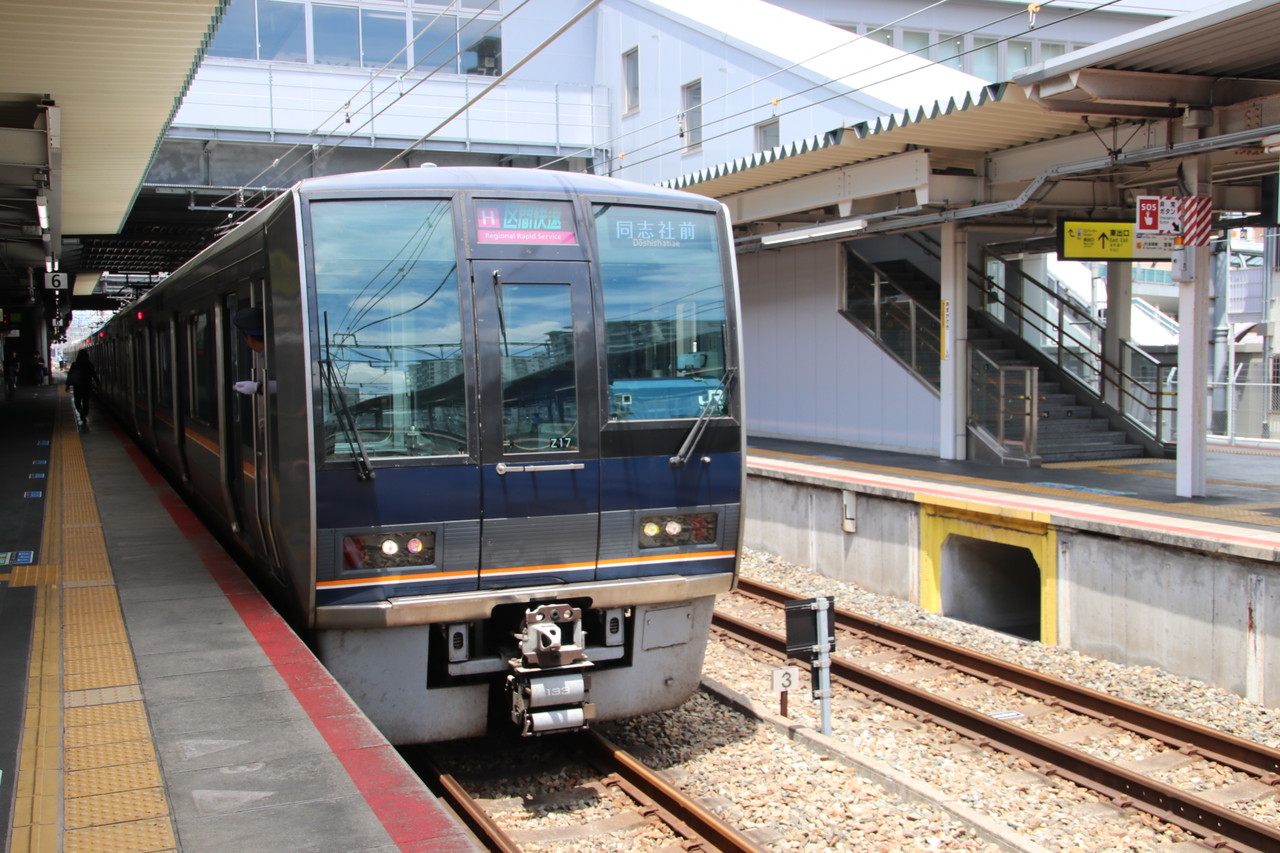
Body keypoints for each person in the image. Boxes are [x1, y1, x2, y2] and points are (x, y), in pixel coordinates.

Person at [231, 305, 275, 395]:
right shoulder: (277, 351)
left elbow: (293, 384)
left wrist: (258, 388)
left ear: (250, 339)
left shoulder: (275, 356)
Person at [65, 350, 96, 428]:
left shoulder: (75, 364)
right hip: (87, 386)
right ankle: (84, 414)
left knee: (77, 402)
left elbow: (70, 375)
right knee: (86, 401)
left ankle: (81, 412)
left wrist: (67, 385)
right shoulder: (89, 364)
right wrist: (98, 383)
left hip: (77, 386)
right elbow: (94, 374)